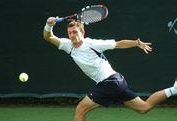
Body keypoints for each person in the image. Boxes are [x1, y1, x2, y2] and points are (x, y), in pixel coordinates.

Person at [43, 17, 177, 121]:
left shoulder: (92, 44)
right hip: (116, 82)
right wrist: (49, 25)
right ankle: (174, 89)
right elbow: (48, 36)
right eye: (70, 33)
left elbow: (118, 44)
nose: (72, 35)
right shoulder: (68, 45)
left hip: (110, 81)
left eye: (75, 32)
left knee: (80, 109)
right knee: (144, 108)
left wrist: (137, 43)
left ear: (82, 32)